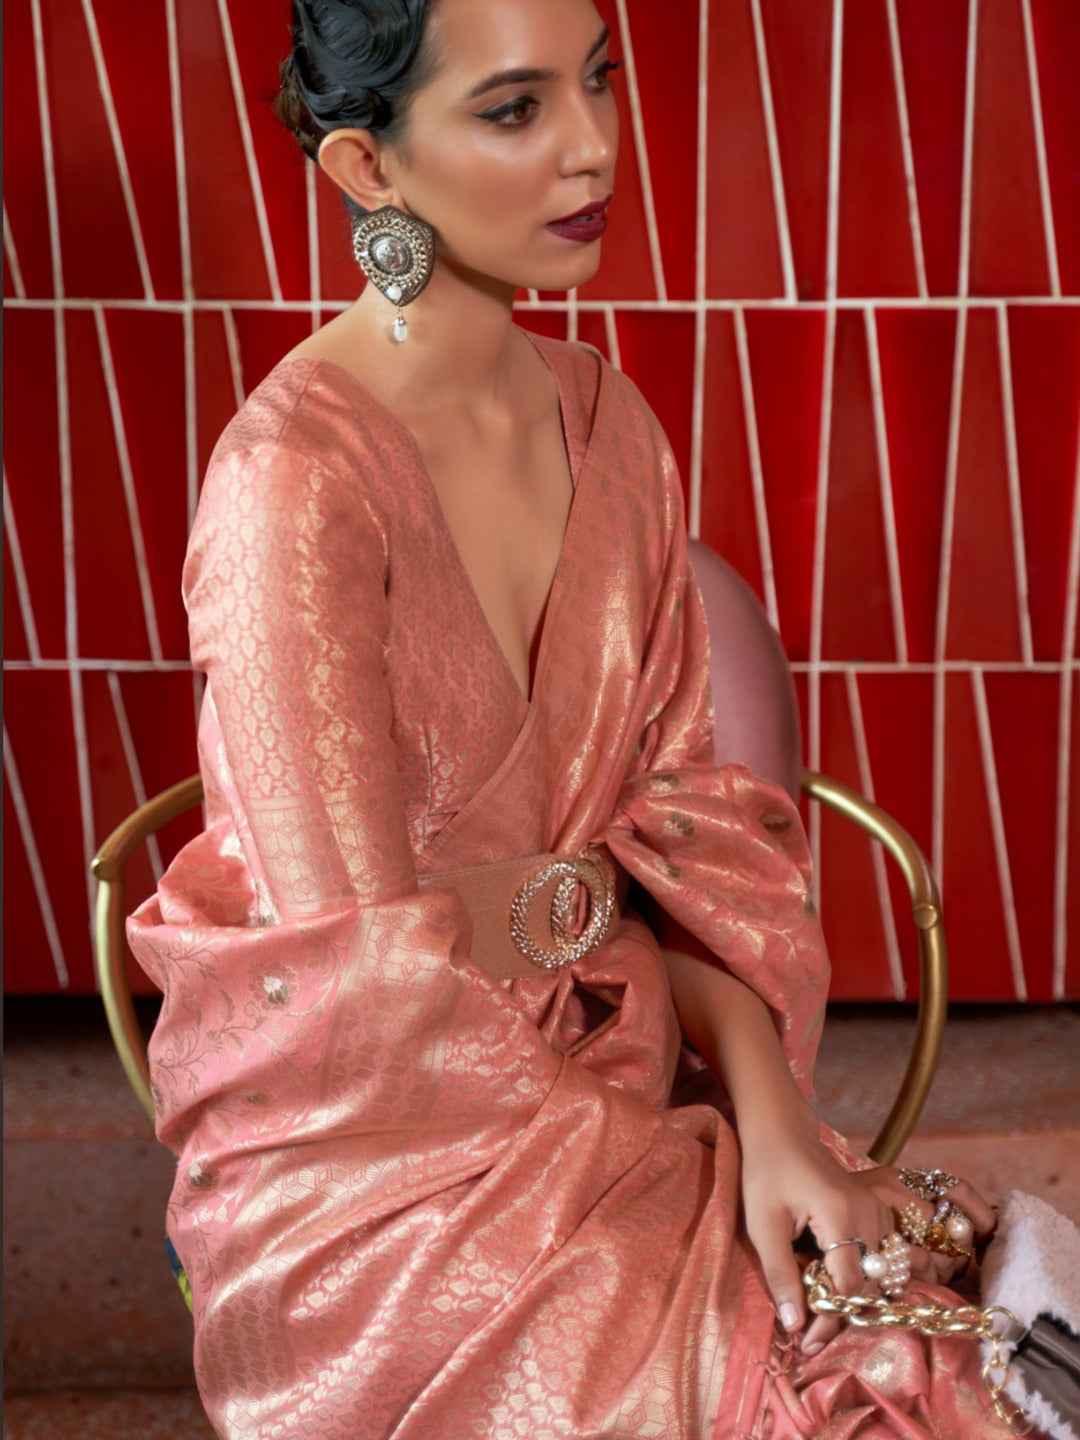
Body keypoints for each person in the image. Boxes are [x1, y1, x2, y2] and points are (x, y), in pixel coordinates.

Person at [126, 2, 1041, 1436]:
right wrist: (669, 1179)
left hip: (621, 1059)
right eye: (515, 109)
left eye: (599, 82)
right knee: (864, 1394)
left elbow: (684, 856)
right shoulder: (293, 485)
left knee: (964, 1339)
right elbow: (358, 991)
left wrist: (772, 1125)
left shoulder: (611, 425)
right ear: (368, 167)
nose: (594, 146)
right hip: (384, 1174)